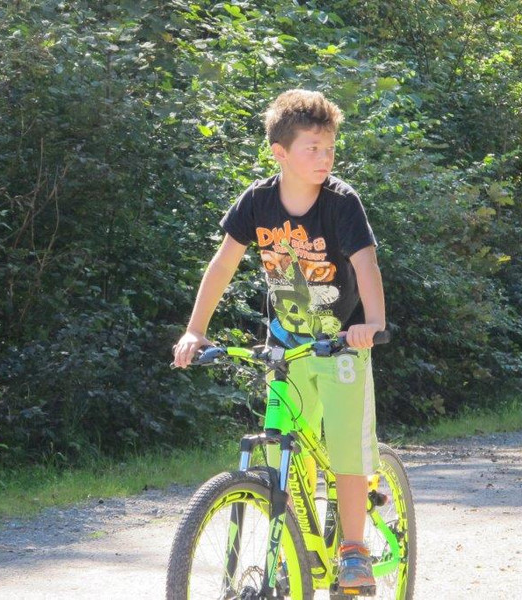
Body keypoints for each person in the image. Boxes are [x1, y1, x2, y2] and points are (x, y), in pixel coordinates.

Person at [173, 88, 386, 592]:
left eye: (329, 147)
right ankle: (296, 544)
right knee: (283, 452)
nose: (324, 157)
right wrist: (195, 329)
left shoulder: (341, 202)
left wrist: (373, 324)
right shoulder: (258, 201)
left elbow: (365, 263)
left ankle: (353, 548)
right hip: (286, 346)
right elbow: (223, 263)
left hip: (341, 344)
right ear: (280, 153)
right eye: (312, 147)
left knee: (346, 449)